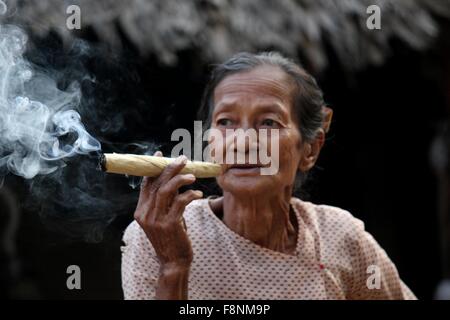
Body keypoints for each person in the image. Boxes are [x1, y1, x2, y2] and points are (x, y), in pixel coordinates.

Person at [121, 52, 416, 300]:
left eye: (268, 122)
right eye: (225, 121)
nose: (243, 141)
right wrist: (173, 266)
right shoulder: (157, 237)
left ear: (310, 149)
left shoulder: (339, 237)